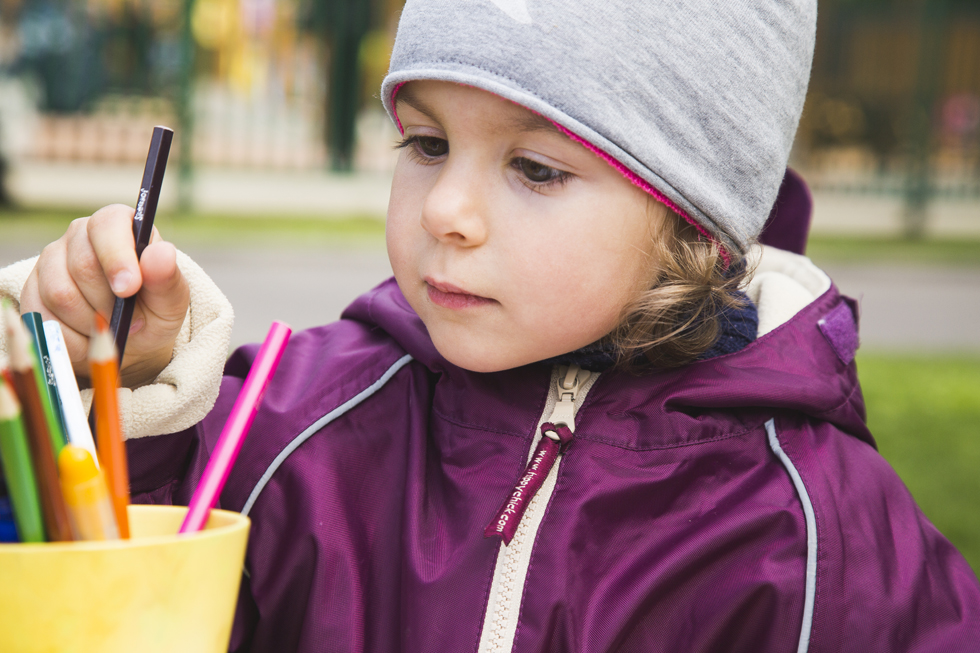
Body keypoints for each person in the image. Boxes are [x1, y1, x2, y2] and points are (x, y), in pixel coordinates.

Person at [2, 0, 979, 650]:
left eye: (535, 168)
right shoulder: (293, 427)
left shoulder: (814, 535)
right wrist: (127, 394)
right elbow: (104, 591)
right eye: (426, 142)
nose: (444, 210)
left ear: (694, 218)